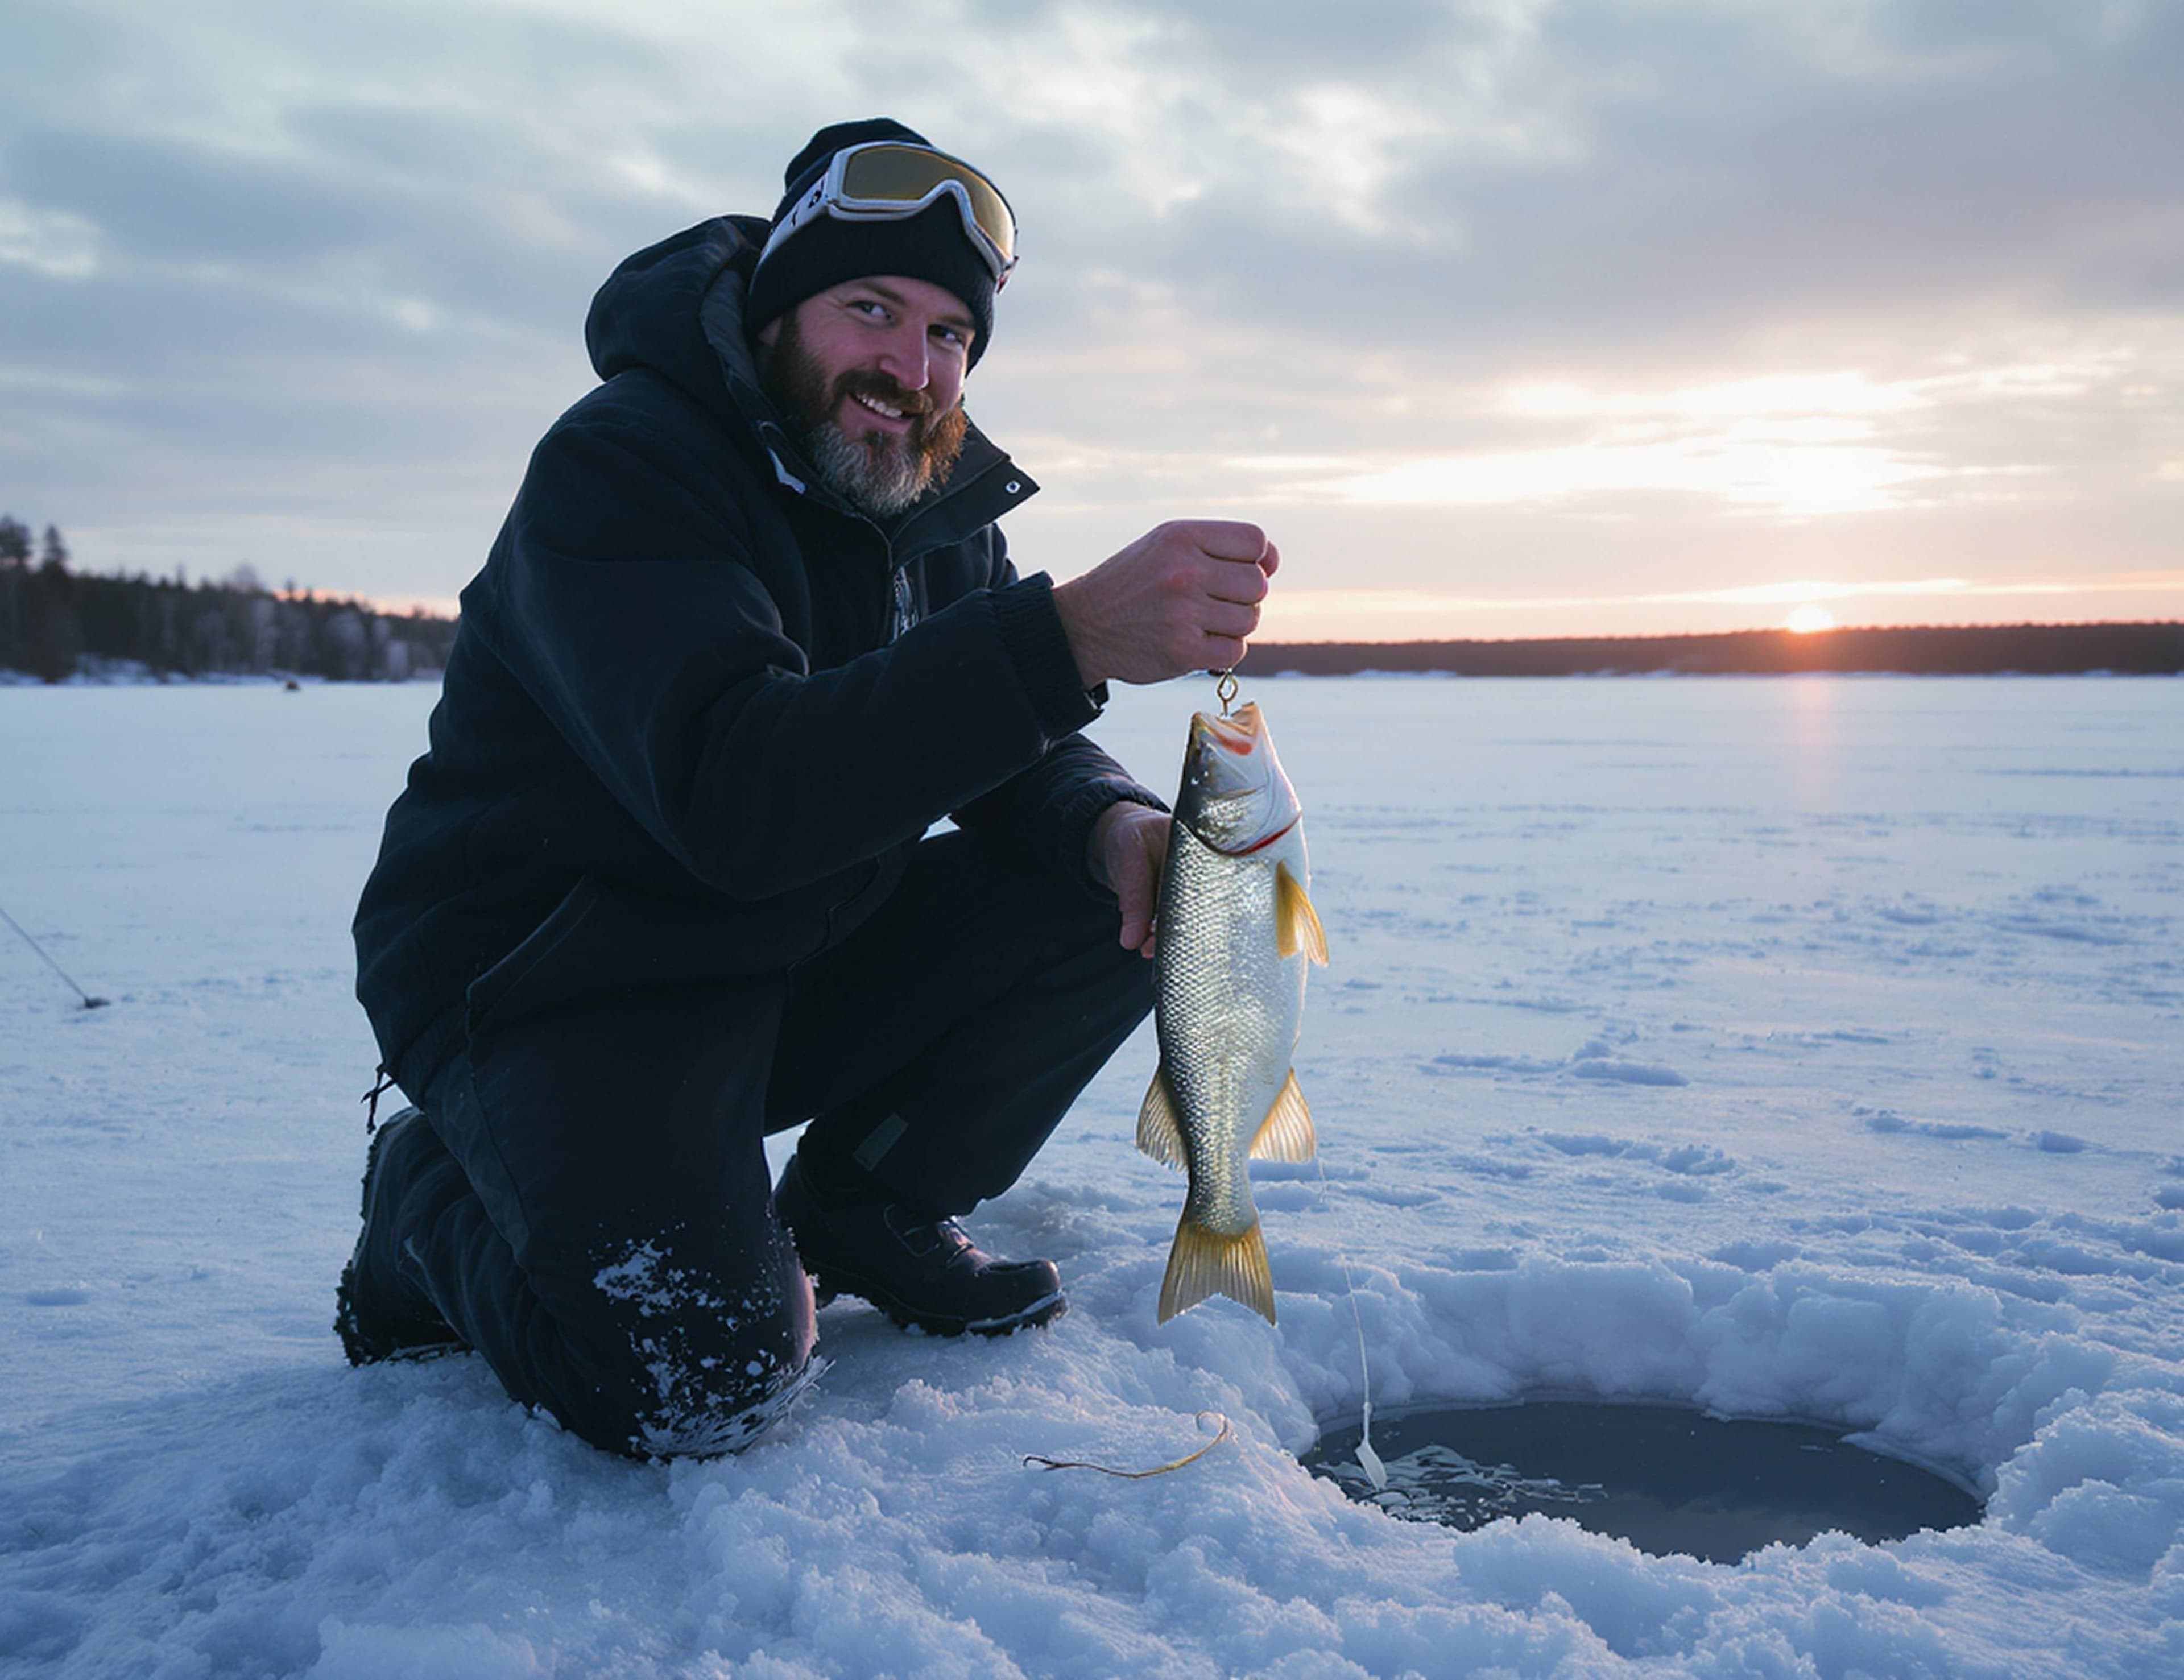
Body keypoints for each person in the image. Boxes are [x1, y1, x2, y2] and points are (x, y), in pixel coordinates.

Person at [338, 118, 1279, 1458]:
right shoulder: (626, 466)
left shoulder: (920, 502)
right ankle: (426, 1197)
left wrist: (1110, 819)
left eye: (952, 333)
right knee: (701, 1378)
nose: (913, 366)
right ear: (782, 304)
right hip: (558, 984)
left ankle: (869, 1208)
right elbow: (737, 788)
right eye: (874, 308)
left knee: (1126, 889)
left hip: (774, 942)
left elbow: (999, 739)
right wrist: (1062, 637)